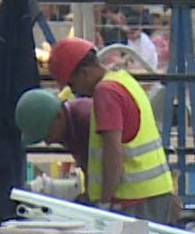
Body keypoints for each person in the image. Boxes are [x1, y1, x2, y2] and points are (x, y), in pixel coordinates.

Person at [44, 37, 179, 224]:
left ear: (85, 73)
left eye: (73, 85)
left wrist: (104, 203)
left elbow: (114, 152)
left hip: (134, 200)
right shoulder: (124, 80)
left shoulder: (105, 92)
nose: (76, 93)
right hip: (153, 194)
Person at [15, 90, 95, 177]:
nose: (48, 142)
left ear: (59, 116)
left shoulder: (86, 121)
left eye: (48, 135)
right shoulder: (68, 127)